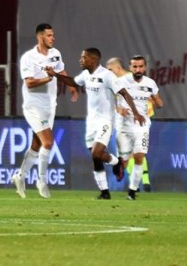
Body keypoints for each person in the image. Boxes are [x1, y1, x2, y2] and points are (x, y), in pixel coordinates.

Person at [46, 48, 145, 199]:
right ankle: (105, 190)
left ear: (93, 60)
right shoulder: (86, 75)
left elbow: (124, 93)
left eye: (83, 57)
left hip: (105, 121)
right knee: (96, 157)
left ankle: (115, 165)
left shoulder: (107, 75)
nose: (80, 60)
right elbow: (73, 81)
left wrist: (136, 113)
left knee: (96, 153)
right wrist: (55, 75)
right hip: (91, 122)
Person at [12, 23, 78, 199]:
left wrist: (71, 86)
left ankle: (19, 177)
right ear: (40, 37)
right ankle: (41, 181)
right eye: (49, 35)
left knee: (37, 144)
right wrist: (48, 78)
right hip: (34, 106)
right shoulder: (29, 58)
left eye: (53, 35)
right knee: (48, 142)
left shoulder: (55, 54)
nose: (53, 38)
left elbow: (61, 71)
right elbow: (29, 83)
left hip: (50, 106)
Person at [106, 56, 163, 200]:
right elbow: (108, 97)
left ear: (144, 68)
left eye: (140, 66)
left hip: (142, 125)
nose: (138, 69)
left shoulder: (150, 83)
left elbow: (157, 99)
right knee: (125, 159)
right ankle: (119, 164)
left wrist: (158, 101)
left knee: (139, 156)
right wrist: (118, 108)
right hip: (125, 126)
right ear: (130, 68)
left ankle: (132, 191)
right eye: (135, 67)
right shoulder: (121, 82)